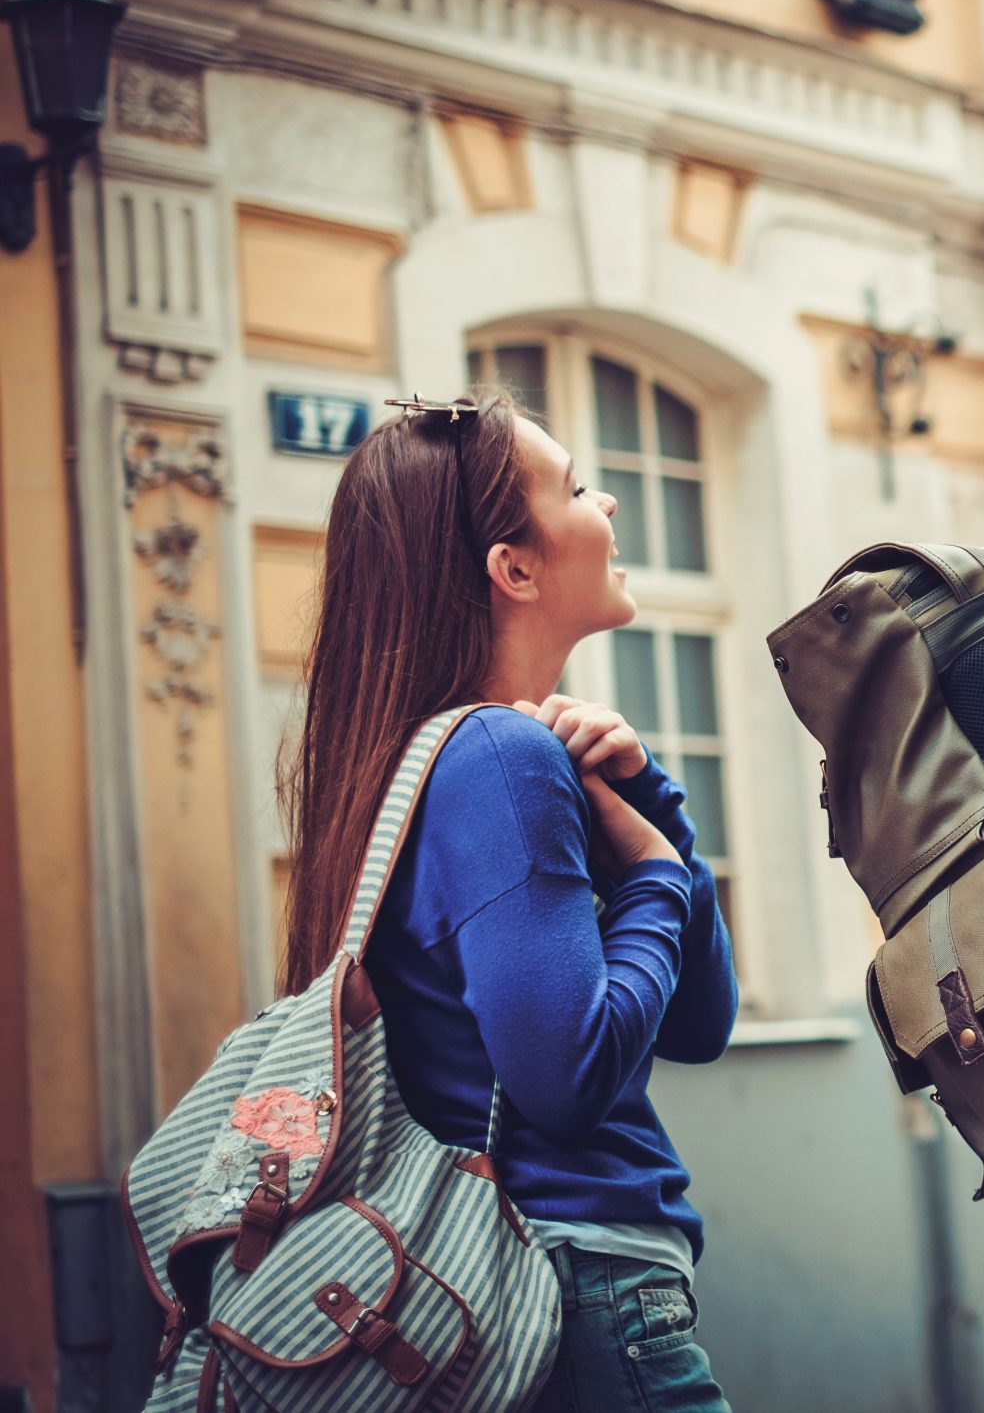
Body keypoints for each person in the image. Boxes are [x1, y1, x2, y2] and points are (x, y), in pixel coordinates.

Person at [278, 391, 738, 1411]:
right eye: (574, 488)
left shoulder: (450, 758)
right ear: (514, 569)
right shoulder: (497, 756)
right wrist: (655, 876)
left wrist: (647, 803)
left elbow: (701, 1022)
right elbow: (567, 1082)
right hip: (572, 1286)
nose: (607, 503)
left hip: (546, 1285)